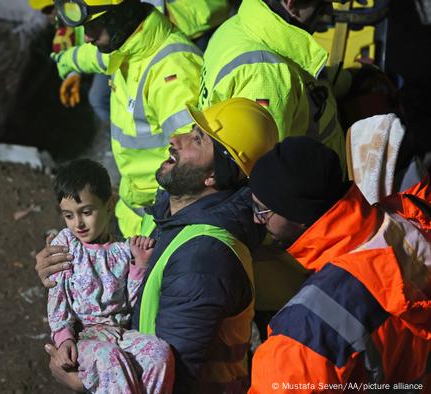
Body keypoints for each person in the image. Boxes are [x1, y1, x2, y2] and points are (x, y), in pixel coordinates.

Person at [38, 98, 280, 392]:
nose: (175, 139)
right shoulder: (170, 214)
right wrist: (66, 268)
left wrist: (79, 382)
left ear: (215, 174)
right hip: (117, 353)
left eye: (197, 139)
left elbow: (176, 379)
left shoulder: (203, 257)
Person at [248, 136, 431, 392]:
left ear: (299, 216)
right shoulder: (413, 215)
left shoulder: (299, 337)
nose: (257, 220)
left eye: (262, 210)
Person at [51, 0, 203, 237]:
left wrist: (166, 230)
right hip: (134, 212)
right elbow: (91, 56)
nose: (87, 37)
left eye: (93, 26)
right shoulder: (123, 49)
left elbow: (194, 165)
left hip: (160, 222)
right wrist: (67, 65)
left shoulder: (173, 72)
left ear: (121, 15)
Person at [46, 158, 174, 393]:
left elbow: (133, 304)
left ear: (109, 205)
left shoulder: (124, 252)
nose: (78, 224)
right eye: (69, 215)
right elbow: (57, 295)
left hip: (120, 334)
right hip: (86, 339)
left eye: (86, 212)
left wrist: (140, 266)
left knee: (159, 352)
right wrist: (64, 339)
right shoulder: (66, 243)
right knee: (110, 357)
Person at [198, 0, 346, 166]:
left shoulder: (238, 26)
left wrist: (350, 79)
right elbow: (269, 173)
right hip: (317, 186)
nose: (329, 12)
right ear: (291, 3)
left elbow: (303, 77)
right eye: (323, 6)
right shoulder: (267, 76)